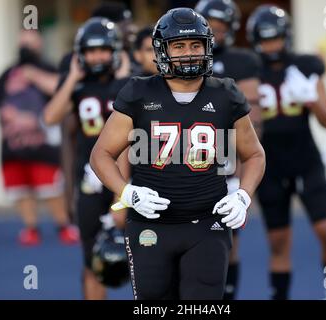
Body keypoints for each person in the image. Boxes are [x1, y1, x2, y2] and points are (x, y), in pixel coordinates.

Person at [90, 7, 265, 300]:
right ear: (163, 50)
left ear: (207, 47)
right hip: (150, 223)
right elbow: (101, 154)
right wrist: (127, 192)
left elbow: (254, 155)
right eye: (179, 45)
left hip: (207, 223)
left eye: (195, 45)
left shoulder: (225, 93)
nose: (188, 53)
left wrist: (243, 195)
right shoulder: (138, 93)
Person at [247, 5, 326, 300]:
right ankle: (280, 296)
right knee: (278, 242)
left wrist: (312, 98)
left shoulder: (305, 66)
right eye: (265, 40)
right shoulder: (249, 71)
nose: (271, 45)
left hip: (305, 161)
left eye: (275, 38)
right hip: (270, 166)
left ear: (285, 37)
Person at [44, 18, 128, 300]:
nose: (97, 56)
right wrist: (71, 78)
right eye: (91, 51)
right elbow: (50, 117)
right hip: (90, 181)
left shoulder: (129, 85)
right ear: (81, 54)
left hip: (128, 179)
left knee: (144, 259)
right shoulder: (78, 89)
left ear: (115, 50)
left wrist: (123, 194)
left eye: (103, 49)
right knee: (92, 259)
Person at [0, 29, 79, 246]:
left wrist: (33, 75)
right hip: (12, 147)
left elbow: (60, 89)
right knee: (20, 189)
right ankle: (31, 228)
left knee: (51, 188)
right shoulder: (7, 73)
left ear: (39, 45)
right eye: (22, 43)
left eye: (30, 43)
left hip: (43, 144)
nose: (25, 48)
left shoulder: (48, 68)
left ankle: (63, 225)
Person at [194, 0, 261, 300]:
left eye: (220, 28)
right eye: (211, 27)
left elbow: (251, 121)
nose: (215, 34)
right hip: (181, 160)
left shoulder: (241, 62)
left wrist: (239, 172)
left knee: (225, 240)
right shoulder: (184, 57)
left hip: (222, 163)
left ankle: (224, 298)